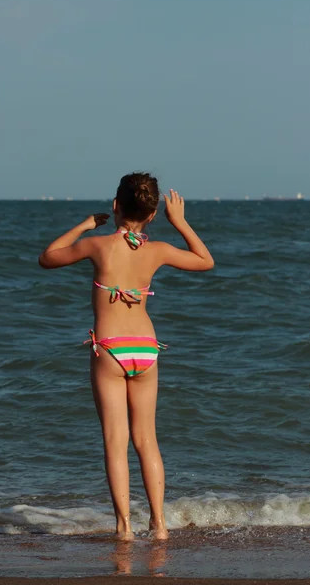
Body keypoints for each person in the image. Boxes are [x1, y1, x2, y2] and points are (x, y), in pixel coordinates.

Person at [39, 173, 214, 540]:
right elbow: (205, 261)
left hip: (111, 350)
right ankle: (161, 525)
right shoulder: (158, 250)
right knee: (146, 439)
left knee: (115, 441)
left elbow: (47, 258)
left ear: (115, 206)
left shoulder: (97, 245)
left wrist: (84, 225)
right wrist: (180, 222)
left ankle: (124, 528)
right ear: (152, 215)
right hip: (147, 350)